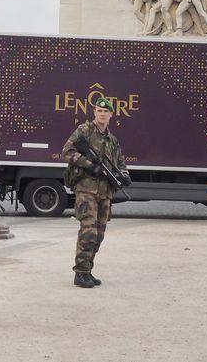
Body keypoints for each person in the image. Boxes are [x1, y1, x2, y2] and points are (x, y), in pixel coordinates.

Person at [61, 97, 129, 289]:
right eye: (99, 110)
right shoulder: (84, 131)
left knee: (99, 233)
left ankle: (88, 270)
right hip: (86, 190)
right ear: (94, 112)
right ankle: (80, 272)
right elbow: (67, 151)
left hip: (105, 192)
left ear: (111, 115)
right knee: (88, 230)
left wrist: (124, 175)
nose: (102, 114)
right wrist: (90, 166)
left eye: (105, 111)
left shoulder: (112, 140)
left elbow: (120, 163)